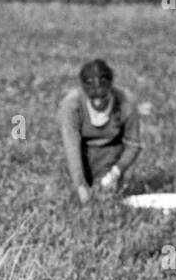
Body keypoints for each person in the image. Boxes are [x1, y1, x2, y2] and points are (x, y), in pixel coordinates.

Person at [57, 59, 141, 203]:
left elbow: (133, 145)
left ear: (110, 87)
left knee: (109, 199)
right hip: (81, 156)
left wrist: (116, 171)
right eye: (92, 98)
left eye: (103, 97)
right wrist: (80, 185)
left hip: (111, 156)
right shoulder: (71, 105)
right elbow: (71, 147)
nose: (98, 102)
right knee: (74, 198)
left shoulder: (126, 102)